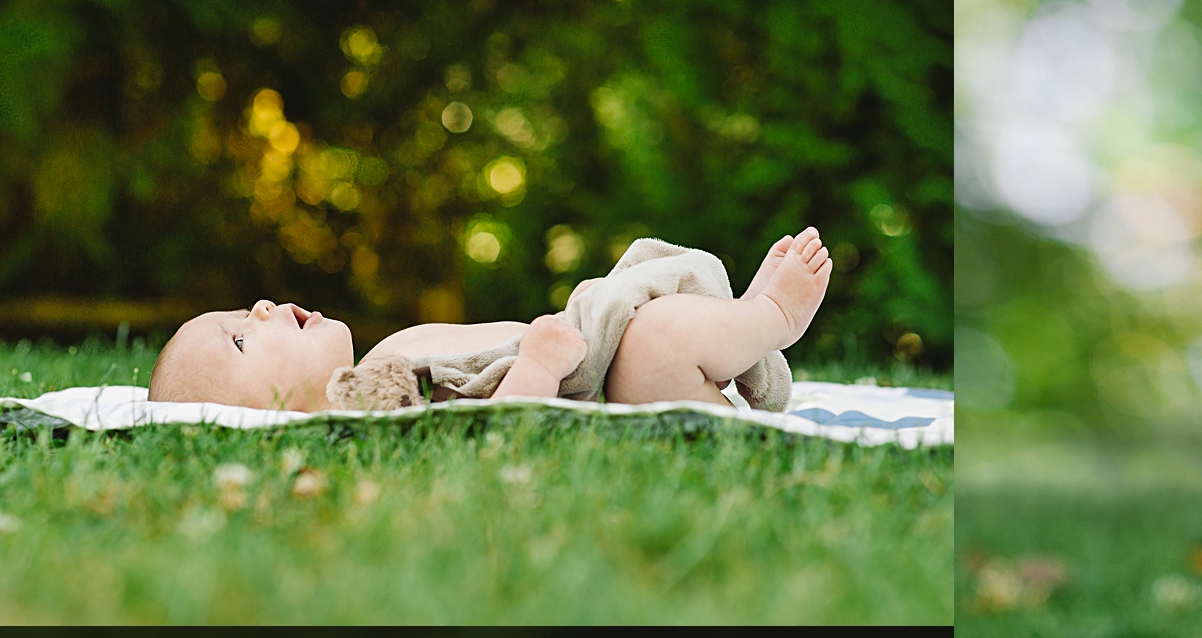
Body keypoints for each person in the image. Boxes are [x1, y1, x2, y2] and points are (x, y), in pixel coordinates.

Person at [146, 230, 831, 412]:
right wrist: (535, 367)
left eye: (242, 311)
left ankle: (743, 330)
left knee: (650, 314)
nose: (261, 307)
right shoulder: (379, 406)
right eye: (241, 336)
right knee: (660, 338)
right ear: (275, 415)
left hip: (590, 354)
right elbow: (488, 434)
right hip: (602, 389)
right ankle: (769, 319)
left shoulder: (385, 357)